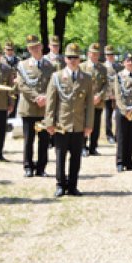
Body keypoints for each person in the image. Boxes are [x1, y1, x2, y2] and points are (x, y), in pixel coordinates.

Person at [45, 43, 94, 197]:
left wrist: (89, 125)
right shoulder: (57, 77)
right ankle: (60, 184)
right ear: (64, 59)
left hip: (78, 124)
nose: (72, 60)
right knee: (60, 156)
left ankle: (73, 185)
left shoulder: (86, 78)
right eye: (69, 57)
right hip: (62, 124)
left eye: (75, 57)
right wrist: (49, 122)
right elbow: (51, 101)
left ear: (80, 59)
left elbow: (90, 104)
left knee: (76, 157)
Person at [16, 35, 55, 177]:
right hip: (28, 108)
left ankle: (41, 168)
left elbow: (53, 84)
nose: (35, 49)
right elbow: (21, 85)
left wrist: (45, 97)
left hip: (45, 109)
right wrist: (36, 97)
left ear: (41, 47)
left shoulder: (50, 65)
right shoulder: (23, 65)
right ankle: (28, 167)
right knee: (28, 140)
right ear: (28, 49)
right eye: (31, 47)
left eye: (37, 46)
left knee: (44, 141)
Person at [113, 52, 132, 172]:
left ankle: (129, 161)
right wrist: (124, 110)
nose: (130, 63)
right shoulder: (119, 76)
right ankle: (120, 161)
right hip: (123, 111)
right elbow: (117, 95)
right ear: (123, 63)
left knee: (131, 136)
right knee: (121, 136)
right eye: (127, 61)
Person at [80, 43, 108, 156]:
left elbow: (106, 84)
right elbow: (80, 84)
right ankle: (82, 146)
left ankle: (93, 147)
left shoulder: (103, 68)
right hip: (85, 102)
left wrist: (100, 95)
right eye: (93, 53)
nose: (95, 55)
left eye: (97, 54)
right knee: (84, 124)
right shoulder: (82, 67)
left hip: (98, 102)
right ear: (88, 54)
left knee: (96, 125)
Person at [103, 44, 122, 145]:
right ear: (105, 55)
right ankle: (109, 135)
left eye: (111, 54)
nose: (110, 56)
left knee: (118, 116)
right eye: (108, 54)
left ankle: (117, 135)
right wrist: (109, 94)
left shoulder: (118, 66)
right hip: (108, 95)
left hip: (117, 96)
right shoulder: (102, 67)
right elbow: (103, 82)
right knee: (108, 116)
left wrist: (117, 95)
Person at [2, 40, 21, 119]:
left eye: (11, 49)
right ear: (4, 50)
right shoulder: (0, 60)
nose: (9, 51)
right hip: (3, 89)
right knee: (2, 113)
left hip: (14, 89)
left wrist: (18, 79)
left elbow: (21, 74)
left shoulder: (19, 61)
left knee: (13, 112)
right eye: (8, 49)